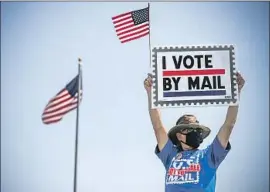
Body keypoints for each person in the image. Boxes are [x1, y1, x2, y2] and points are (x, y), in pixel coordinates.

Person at [144, 72, 245, 192]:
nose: (195, 132)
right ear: (179, 135)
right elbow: (158, 126)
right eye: (190, 128)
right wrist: (150, 92)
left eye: (197, 129)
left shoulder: (210, 155)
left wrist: (237, 91)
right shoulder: (170, 155)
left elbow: (229, 125)